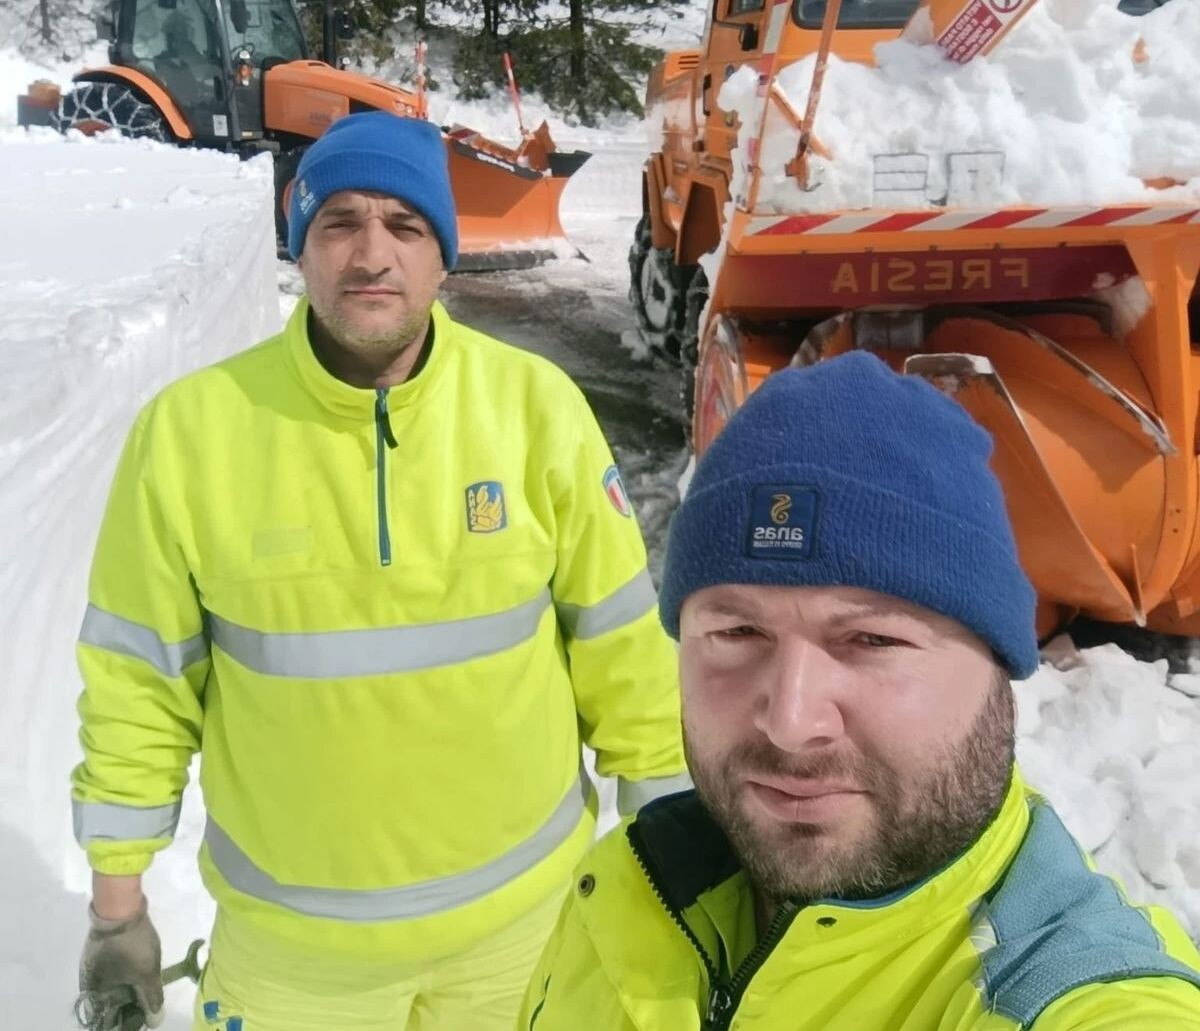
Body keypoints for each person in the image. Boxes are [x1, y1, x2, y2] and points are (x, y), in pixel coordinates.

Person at [73, 111, 688, 1031]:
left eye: (405, 225)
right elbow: (137, 688)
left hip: (524, 937)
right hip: (291, 965)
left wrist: (674, 863)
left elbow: (627, 660)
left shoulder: (536, 411)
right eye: (340, 223)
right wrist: (115, 910)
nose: (372, 254)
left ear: (443, 257)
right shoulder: (191, 434)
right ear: (300, 246)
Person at [519, 351, 1200, 1030]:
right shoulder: (624, 889)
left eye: (873, 639)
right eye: (737, 632)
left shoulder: (1068, 994)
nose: (791, 720)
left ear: (999, 669)